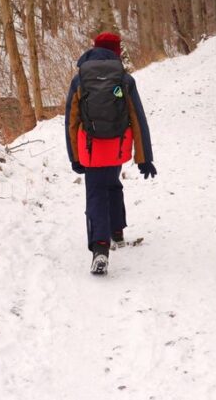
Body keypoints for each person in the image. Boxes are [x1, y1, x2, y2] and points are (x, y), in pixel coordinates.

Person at [65, 32, 155, 275]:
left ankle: (100, 248)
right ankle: (116, 231)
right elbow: (138, 118)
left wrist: (74, 156)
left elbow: (71, 121)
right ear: (116, 52)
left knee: (96, 193)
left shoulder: (80, 78)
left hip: (90, 149)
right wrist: (144, 157)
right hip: (116, 147)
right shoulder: (124, 78)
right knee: (112, 183)